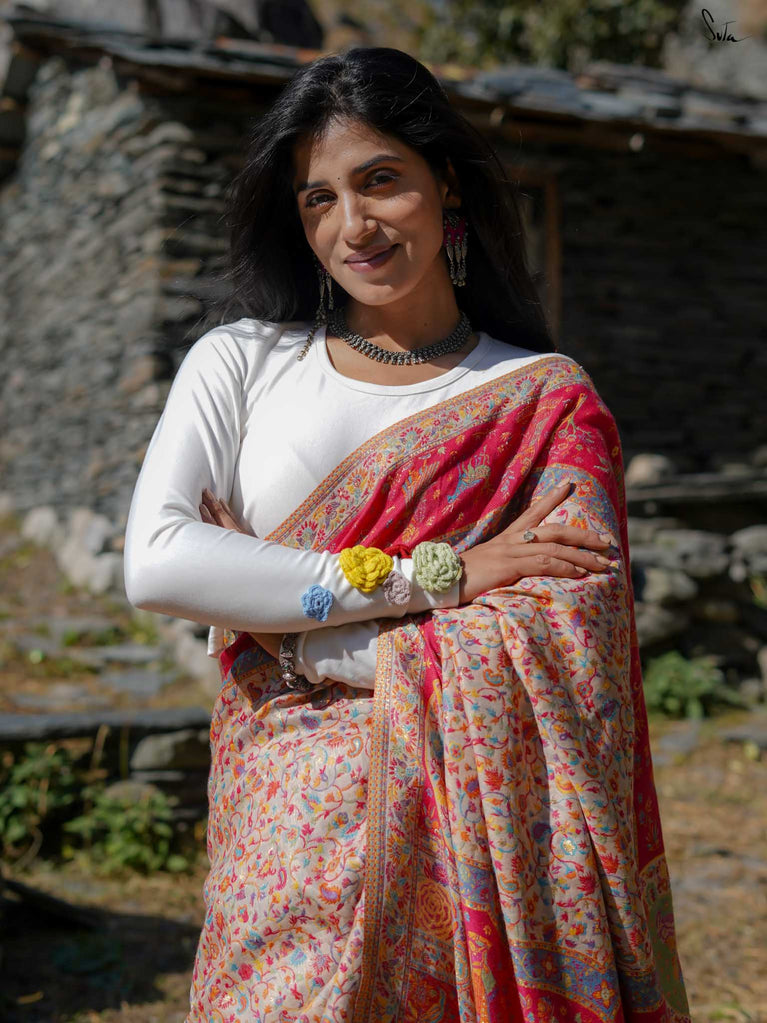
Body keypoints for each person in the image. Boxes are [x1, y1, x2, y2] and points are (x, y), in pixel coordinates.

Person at [123, 46, 690, 1023]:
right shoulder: (242, 363)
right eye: (319, 199)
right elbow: (160, 563)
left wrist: (290, 633)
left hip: (474, 852)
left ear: (447, 184)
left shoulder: (541, 399)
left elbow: (567, 643)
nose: (352, 225)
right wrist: (437, 578)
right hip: (283, 831)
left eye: (380, 180)